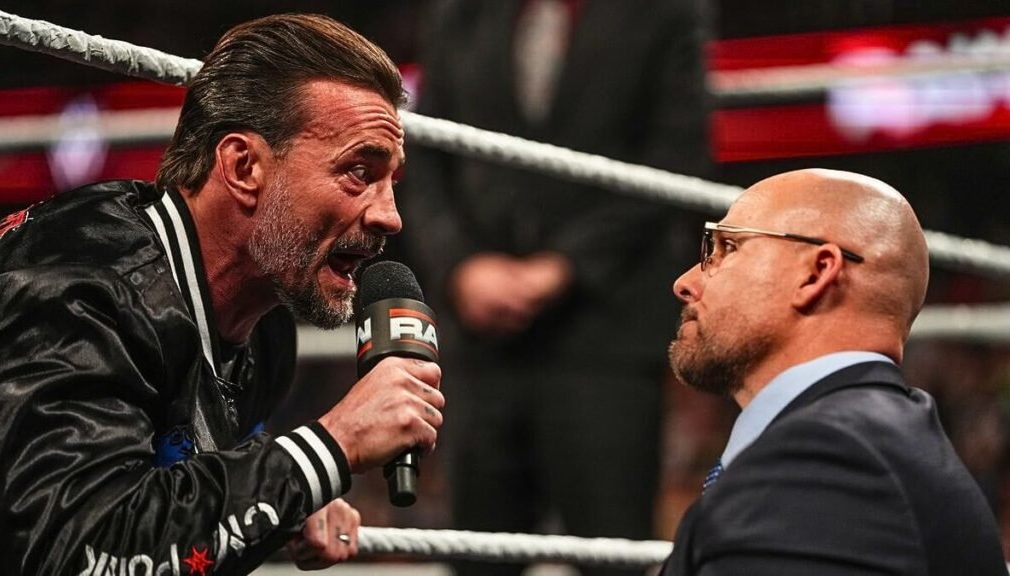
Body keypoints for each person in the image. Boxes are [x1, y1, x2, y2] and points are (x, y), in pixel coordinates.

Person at [0, 14, 445, 576]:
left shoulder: (264, 329)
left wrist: (284, 491)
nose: (390, 216)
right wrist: (328, 448)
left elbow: (163, 495)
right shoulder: (72, 293)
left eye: (391, 180)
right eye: (358, 171)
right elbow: (74, 552)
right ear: (243, 167)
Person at [399, 2, 709, 574]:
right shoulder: (461, 13)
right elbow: (424, 157)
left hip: (604, 331)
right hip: (482, 339)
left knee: (611, 554)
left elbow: (675, 156)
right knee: (478, 557)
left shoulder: (663, 12)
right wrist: (461, 268)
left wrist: (564, 267)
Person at [659, 169, 1006, 575]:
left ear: (816, 272)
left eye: (727, 247)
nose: (685, 283)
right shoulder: (872, 438)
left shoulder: (829, 459)